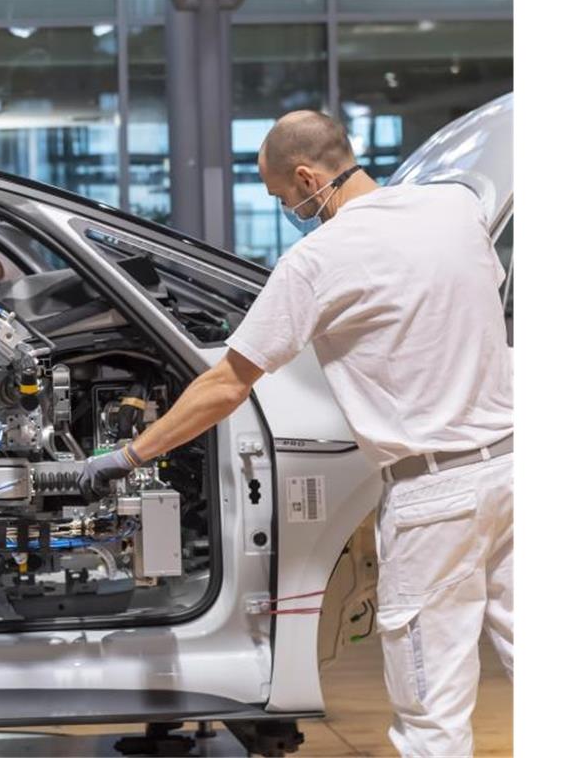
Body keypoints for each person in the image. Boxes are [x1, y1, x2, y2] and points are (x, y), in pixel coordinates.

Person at [78, 110, 513, 756]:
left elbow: (228, 383)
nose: (290, 208)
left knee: (432, 709)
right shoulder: (455, 211)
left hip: (434, 501)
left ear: (308, 177)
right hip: (517, 470)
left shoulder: (318, 260)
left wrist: (129, 453)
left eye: (284, 197)